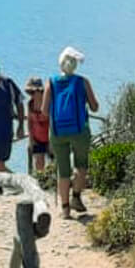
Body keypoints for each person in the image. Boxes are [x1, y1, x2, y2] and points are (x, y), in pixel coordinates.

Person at [47, 46, 100, 219]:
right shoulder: (82, 82)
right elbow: (94, 107)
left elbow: (44, 110)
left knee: (62, 171)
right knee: (81, 166)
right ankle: (76, 196)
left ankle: (65, 209)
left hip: (58, 132)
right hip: (79, 130)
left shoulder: (51, 82)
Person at [24, 76, 51, 181]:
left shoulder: (48, 102)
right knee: (38, 163)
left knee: (53, 163)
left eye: (36, 91)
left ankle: (52, 183)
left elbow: (52, 122)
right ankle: (41, 182)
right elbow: (29, 122)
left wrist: (51, 141)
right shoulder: (30, 104)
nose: (34, 94)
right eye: (32, 92)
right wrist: (31, 140)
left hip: (50, 137)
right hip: (37, 138)